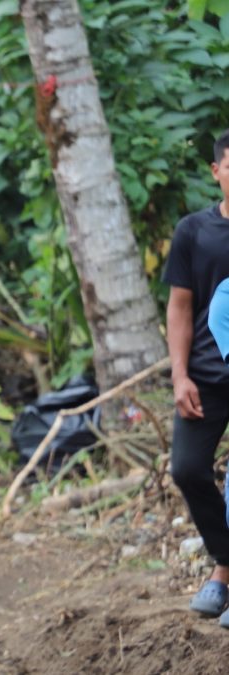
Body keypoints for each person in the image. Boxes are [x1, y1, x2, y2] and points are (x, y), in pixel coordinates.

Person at [165, 128, 229, 622]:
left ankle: (221, 580)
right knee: (187, 469)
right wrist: (180, 375)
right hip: (206, 379)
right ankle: (226, 559)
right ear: (216, 171)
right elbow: (181, 307)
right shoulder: (194, 231)